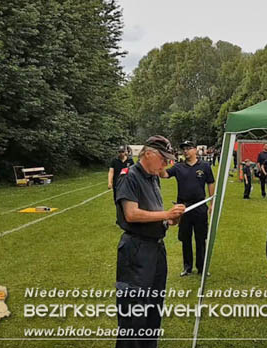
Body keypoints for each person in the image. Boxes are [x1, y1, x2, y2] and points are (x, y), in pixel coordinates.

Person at [115, 135, 185, 348]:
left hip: (155, 247)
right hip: (136, 249)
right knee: (134, 311)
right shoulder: (130, 176)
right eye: (163, 159)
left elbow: (153, 211)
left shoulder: (153, 177)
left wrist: (171, 219)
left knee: (154, 307)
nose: (166, 164)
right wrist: (165, 214)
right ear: (148, 154)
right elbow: (131, 214)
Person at [160, 140, 215, 277]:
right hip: (183, 207)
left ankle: (202, 268)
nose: (186, 151)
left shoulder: (205, 166)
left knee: (201, 238)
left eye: (189, 148)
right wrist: (161, 161)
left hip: (200, 206)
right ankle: (187, 267)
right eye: (184, 149)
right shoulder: (178, 167)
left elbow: (210, 183)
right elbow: (164, 175)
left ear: (195, 150)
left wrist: (212, 202)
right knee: (185, 238)